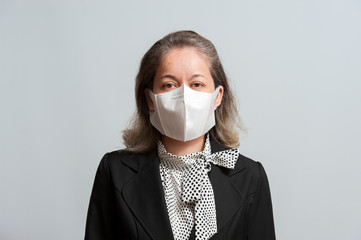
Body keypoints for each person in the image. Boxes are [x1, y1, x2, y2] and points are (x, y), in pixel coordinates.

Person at [85, 30, 276, 240]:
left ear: (217, 96)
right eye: (169, 85)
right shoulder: (115, 171)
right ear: (150, 99)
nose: (184, 96)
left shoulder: (250, 176)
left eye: (197, 84)